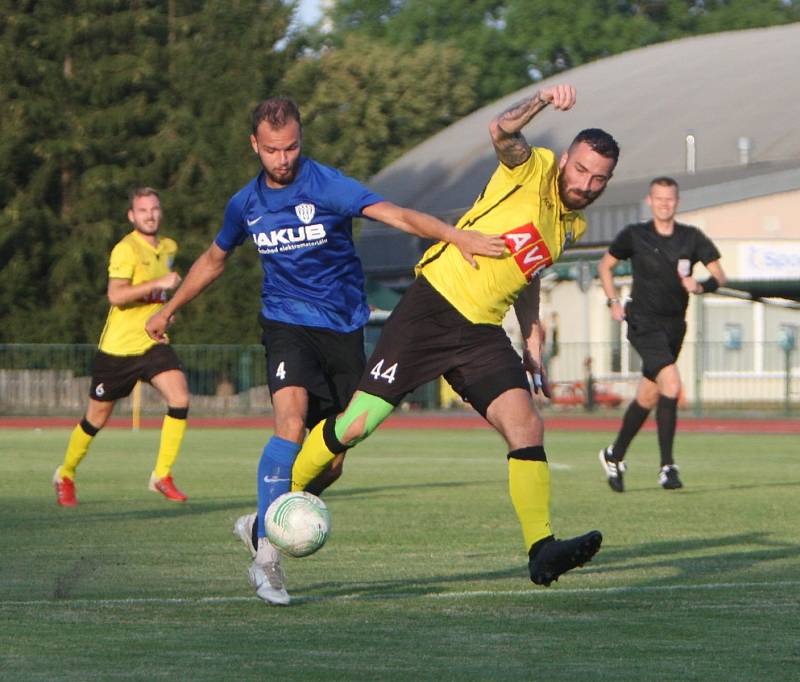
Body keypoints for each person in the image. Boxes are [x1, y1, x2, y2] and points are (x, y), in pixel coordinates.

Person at [145, 97, 504, 606]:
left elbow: (395, 214)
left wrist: (453, 234)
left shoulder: (327, 185)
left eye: (291, 147)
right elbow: (214, 258)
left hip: (342, 331)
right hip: (285, 324)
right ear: (255, 146)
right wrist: (168, 310)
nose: (283, 158)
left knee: (332, 463)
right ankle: (267, 558)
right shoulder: (245, 203)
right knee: (289, 424)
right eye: (271, 150)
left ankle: (262, 520)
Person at [288, 84, 619, 599]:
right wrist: (542, 100)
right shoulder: (531, 168)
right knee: (355, 426)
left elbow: (526, 274)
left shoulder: (571, 224)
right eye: (581, 170)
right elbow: (502, 130)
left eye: (599, 178)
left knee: (526, 423)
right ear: (566, 161)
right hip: (433, 307)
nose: (586, 183)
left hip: (481, 331)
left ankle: (541, 549)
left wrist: (531, 338)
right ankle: (283, 500)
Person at [53, 188, 190, 506]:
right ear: (132, 216)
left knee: (180, 397)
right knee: (95, 420)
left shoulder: (169, 247)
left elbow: (160, 298)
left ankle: (162, 475)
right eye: (143, 210)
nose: (150, 215)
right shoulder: (125, 249)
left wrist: (166, 316)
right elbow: (116, 295)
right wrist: (158, 284)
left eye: (155, 209)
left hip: (151, 343)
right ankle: (66, 473)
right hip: (118, 349)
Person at [597, 176, 726, 493]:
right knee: (672, 382)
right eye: (659, 199)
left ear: (677, 202)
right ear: (649, 201)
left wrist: (702, 285)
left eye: (670, 199)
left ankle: (614, 455)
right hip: (643, 321)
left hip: (674, 325)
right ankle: (667, 466)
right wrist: (614, 301)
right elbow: (605, 267)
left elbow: (719, 275)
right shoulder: (635, 235)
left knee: (649, 395)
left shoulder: (691, 238)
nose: (665, 204)